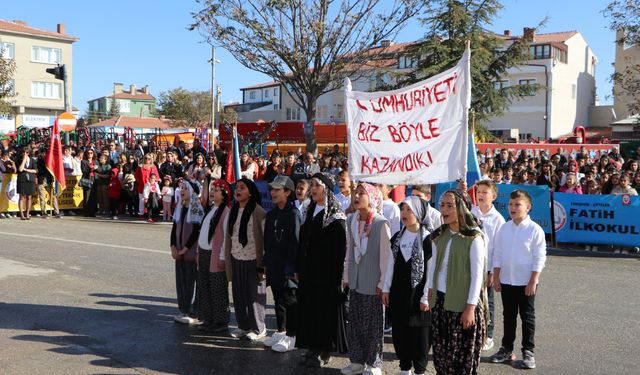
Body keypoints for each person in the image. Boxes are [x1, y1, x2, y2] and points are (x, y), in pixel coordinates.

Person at [427, 189, 486, 375]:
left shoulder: (473, 237)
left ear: (462, 208)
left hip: (462, 306)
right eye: (442, 205)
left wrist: (470, 309)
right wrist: (429, 291)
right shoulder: (439, 235)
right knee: (441, 355)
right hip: (441, 303)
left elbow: (478, 276)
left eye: (450, 205)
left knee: (460, 358)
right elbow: (433, 266)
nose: (444, 209)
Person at [490, 190, 546, 369]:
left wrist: (533, 281)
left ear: (528, 207)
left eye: (517, 204)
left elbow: (539, 258)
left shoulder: (534, 230)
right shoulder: (504, 228)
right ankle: (506, 348)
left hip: (526, 282)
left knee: (527, 317)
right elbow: (497, 253)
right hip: (507, 280)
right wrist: (496, 276)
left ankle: (528, 351)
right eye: (511, 204)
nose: (513, 208)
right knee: (509, 316)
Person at [297, 173, 348, 368]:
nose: (313, 189)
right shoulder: (309, 209)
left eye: (316, 185)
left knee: (324, 312)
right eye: (312, 185)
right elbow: (303, 240)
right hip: (309, 272)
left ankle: (324, 348)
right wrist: (299, 265)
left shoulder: (335, 216)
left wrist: (336, 277)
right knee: (310, 310)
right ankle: (312, 346)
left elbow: (339, 250)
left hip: (325, 275)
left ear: (326, 188)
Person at [341, 183, 390, 375]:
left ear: (373, 198)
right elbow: (348, 251)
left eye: (362, 193)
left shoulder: (380, 223)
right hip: (355, 280)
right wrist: (346, 275)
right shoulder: (351, 220)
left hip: (373, 282)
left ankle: (374, 363)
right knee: (355, 323)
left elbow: (386, 258)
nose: (357, 196)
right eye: (356, 192)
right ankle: (357, 360)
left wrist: (383, 284)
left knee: (374, 325)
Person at [382, 196, 432, 375]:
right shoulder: (397, 237)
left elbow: (431, 271)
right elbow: (390, 265)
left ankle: (419, 369)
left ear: (419, 213)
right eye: (402, 209)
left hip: (418, 295)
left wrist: (426, 296)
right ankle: (404, 368)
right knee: (400, 331)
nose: (404, 213)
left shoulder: (428, 239)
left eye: (409, 210)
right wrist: (386, 288)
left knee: (419, 335)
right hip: (398, 292)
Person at [222, 178, 267, 341]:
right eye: (237, 188)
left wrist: (263, 264)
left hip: (253, 259)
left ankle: (259, 328)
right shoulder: (233, 210)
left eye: (242, 188)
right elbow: (229, 237)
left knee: (255, 296)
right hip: (236, 257)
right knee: (239, 294)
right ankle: (243, 326)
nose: (238, 191)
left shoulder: (258, 212)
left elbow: (265, 239)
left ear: (250, 192)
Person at [262, 176, 301, 353]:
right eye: (272, 189)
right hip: (274, 264)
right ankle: (281, 330)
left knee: (290, 300)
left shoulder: (293, 213)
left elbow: (295, 242)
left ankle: (292, 336)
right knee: (277, 298)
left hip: (287, 266)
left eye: (277, 189)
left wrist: (291, 267)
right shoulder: (271, 214)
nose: (273, 193)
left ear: (287, 192)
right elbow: (267, 241)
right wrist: (264, 263)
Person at [471, 180, 505, 351]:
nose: (481, 195)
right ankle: (472, 330)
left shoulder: (498, 219)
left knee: (487, 301)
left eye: (485, 192)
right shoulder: (471, 212)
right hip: (469, 264)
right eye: (479, 191)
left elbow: (499, 248)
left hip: (487, 267)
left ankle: (488, 334)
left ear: (494, 196)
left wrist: (494, 272)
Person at [196, 179, 232, 333]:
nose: (213, 192)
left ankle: (221, 321)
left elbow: (225, 238)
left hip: (215, 256)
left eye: (217, 190)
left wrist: (223, 257)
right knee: (205, 288)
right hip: (204, 253)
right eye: (212, 189)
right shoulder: (211, 210)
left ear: (224, 194)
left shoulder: (225, 212)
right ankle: (208, 318)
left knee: (217, 289)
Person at [170, 180, 204, 324]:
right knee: (181, 282)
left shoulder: (197, 208)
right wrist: (173, 246)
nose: (181, 190)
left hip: (190, 253)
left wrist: (185, 249)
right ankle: (184, 309)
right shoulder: (180, 207)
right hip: (179, 251)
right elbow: (174, 228)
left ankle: (194, 312)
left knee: (191, 281)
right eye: (181, 187)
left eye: (185, 188)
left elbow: (196, 231)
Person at [17, 147, 37, 220]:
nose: (24, 154)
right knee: (21, 197)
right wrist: (24, 160)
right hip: (22, 180)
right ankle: (21, 214)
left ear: (29, 153)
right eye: (23, 152)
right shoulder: (19, 159)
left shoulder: (32, 160)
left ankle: (27, 213)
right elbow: (20, 169)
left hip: (30, 180)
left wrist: (26, 170)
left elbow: (35, 170)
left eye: (26, 152)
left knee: (29, 197)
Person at [80, 149, 98, 217]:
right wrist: (91, 169)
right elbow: (84, 170)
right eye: (88, 153)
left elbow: (99, 170)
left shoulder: (95, 161)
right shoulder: (83, 162)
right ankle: (87, 212)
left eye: (91, 153)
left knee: (94, 196)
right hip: (87, 179)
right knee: (87, 195)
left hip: (94, 179)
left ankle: (93, 212)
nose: (90, 154)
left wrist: (96, 168)